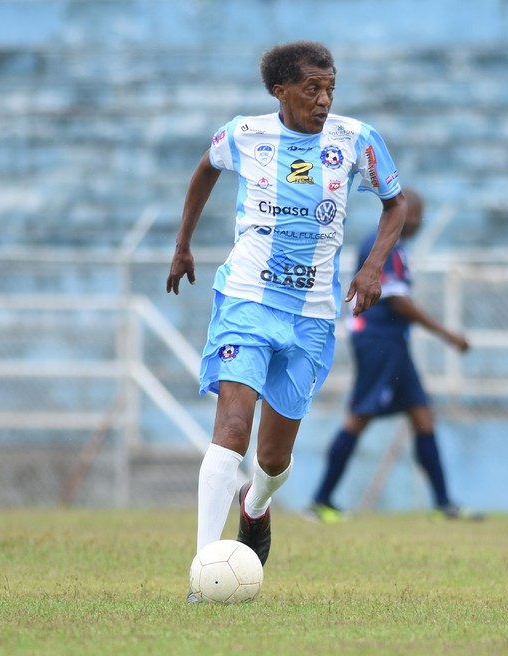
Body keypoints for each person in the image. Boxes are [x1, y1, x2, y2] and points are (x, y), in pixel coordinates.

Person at [166, 41, 406, 601]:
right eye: (311, 89)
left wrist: (373, 267)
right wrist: (183, 245)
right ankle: (204, 575)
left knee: (273, 460)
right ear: (280, 90)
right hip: (247, 298)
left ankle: (256, 505)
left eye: (330, 89)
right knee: (231, 428)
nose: (324, 100)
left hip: (313, 318)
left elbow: (394, 203)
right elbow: (205, 168)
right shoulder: (245, 135)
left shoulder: (357, 140)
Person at [306, 188, 482, 524]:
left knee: (422, 415)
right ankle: (319, 501)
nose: (418, 222)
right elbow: (397, 301)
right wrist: (447, 334)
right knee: (359, 417)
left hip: (393, 343)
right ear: (400, 214)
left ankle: (444, 504)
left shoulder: (393, 246)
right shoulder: (382, 244)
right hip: (378, 341)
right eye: (414, 215)